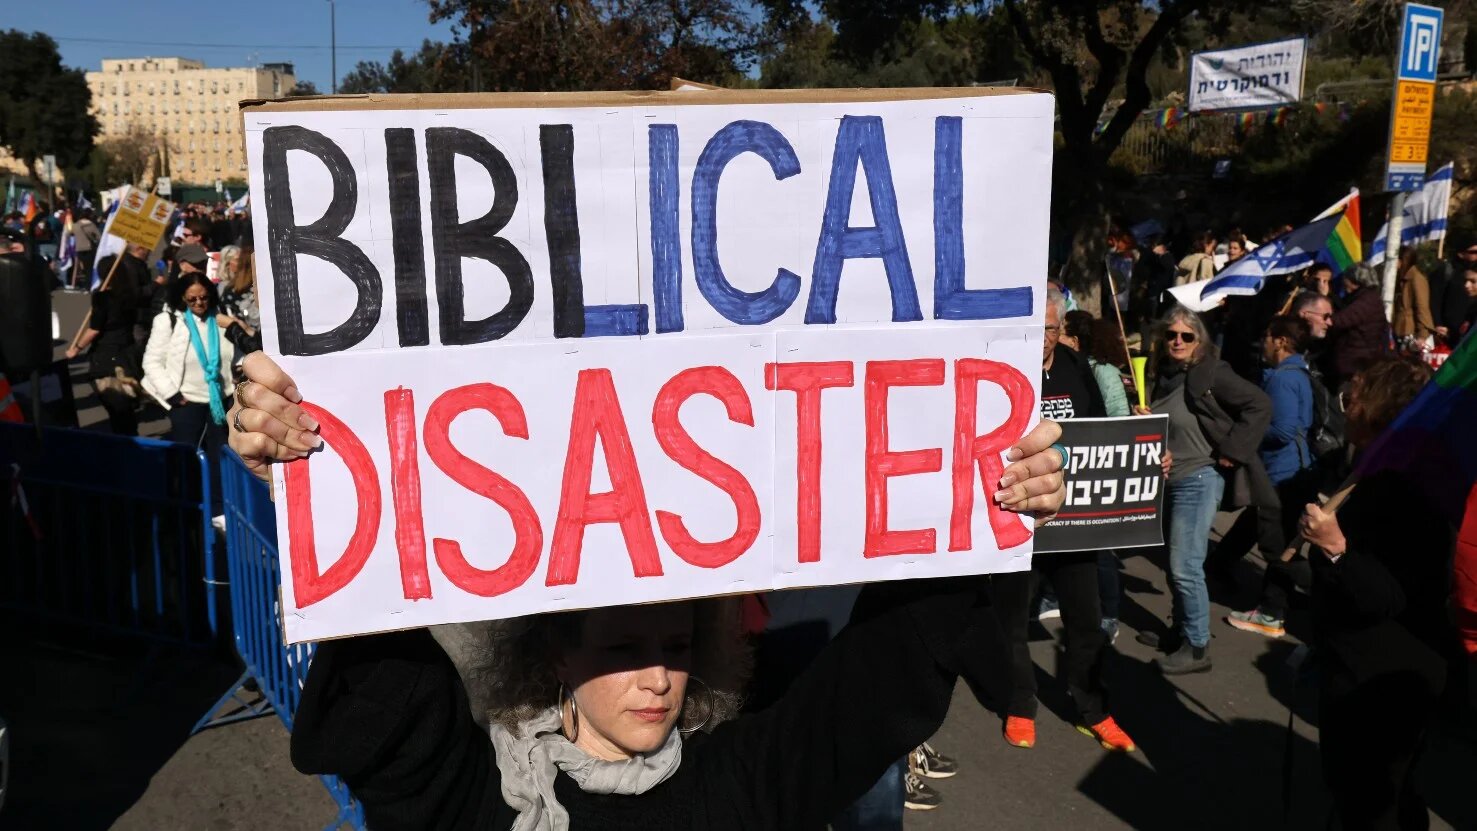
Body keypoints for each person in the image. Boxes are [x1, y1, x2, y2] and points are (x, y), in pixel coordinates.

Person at [224, 351, 1068, 831]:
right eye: (622, 649)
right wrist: (305, 489)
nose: (659, 678)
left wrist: (983, 497)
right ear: (555, 652)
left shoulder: (739, 781)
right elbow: (386, 691)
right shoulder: (474, 793)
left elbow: (880, 682)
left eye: (674, 646)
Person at [1298, 357, 1458, 830]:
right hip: (1363, 671)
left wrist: (1335, 549)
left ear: (1378, 407)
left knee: (1371, 803)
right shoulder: (1377, 466)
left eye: (1355, 394)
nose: (1344, 404)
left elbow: (1389, 596)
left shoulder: (1407, 484)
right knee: (1381, 795)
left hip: (1382, 683)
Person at [992, 287, 1136, 753]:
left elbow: (1104, 431)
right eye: (1037, 330)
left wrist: (1146, 452)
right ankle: (1019, 705)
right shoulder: (1007, 373)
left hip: (1075, 524)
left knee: (1086, 619)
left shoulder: (1077, 369)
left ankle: (1093, 708)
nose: (1045, 339)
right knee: (1013, 621)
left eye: (1052, 329)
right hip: (1023, 523)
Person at [1136, 307, 1271, 674]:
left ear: (1200, 341)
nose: (1177, 341)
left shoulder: (1211, 372)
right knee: (1174, 562)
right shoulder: (1161, 373)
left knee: (1186, 565)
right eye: (1171, 335)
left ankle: (1197, 646)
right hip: (1169, 478)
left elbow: (1259, 404)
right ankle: (1179, 631)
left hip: (1198, 478)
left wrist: (1232, 452)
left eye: (1187, 336)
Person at [1225, 316, 1317, 639]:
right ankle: (1219, 567)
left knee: (1277, 547)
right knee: (1258, 526)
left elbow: (1282, 429)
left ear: (1280, 341)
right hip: (1292, 470)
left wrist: (1249, 430)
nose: (1262, 341)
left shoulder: (1282, 379)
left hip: (1282, 472)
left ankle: (1272, 611)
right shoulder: (1296, 373)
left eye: (1266, 335)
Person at [142, 272, 250, 454]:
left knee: (222, 455)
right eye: (192, 299)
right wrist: (172, 394)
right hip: (186, 402)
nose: (199, 303)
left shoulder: (222, 317)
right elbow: (151, 362)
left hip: (222, 400)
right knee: (188, 459)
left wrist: (239, 372)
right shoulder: (168, 321)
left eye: (204, 297)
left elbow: (238, 355)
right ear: (183, 297)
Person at [65, 253, 143, 435]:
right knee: (126, 407)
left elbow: (94, 329)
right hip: (127, 352)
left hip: (106, 356)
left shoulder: (102, 298)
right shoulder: (130, 294)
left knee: (115, 407)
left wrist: (76, 349)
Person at [1324, 263, 1388, 388]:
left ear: (1355, 281)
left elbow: (1340, 320)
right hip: (1359, 359)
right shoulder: (1363, 298)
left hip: (1356, 363)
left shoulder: (1366, 301)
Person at [1062, 311, 1130, 417]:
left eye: (1058, 332)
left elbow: (1120, 416)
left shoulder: (1104, 372)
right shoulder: (1059, 371)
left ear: (1073, 341)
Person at [1391, 247, 1436, 350]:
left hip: (1409, 332)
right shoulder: (1400, 278)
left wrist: (1422, 334)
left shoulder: (1417, 279)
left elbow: (1422, 307)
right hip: (1398, 329)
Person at [71, 208, 101, 289]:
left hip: (79, 250)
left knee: (84, 269)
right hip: (89, 249)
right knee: (90, 269)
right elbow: (99, 237)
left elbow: (70, 234)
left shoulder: (75, 225)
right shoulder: (91, 225)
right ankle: (90, 286)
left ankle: (85, 285)